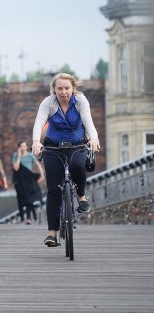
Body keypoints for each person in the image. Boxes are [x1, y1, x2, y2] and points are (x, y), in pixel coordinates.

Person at [31, 72, 100, 247]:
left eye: (67, 88)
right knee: (54, 188)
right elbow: (39, 122)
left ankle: (81, 196)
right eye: (59, 88)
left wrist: (93, 138)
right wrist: (36, 141)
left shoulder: (81, 101)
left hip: (76, 145)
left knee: (78, 166)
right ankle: (52, 234)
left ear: (73, 88)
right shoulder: (48, 103)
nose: (63, 92)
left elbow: (88, 120)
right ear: (54, 89)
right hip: (53, 147)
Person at [12, 139, 43, 224]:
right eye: (21, 146)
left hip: (28, 180)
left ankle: (29, 218)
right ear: (19, 147)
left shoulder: (30, 155)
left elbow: (38, 164)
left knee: (29, 199)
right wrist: (18, 156)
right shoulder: (15, 155)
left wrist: (42, 174)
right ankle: (22, 219)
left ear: (26, 147)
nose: (23, 148)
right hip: (19, 181)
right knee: (20, 199)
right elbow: (16, 168)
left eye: (24, 146)